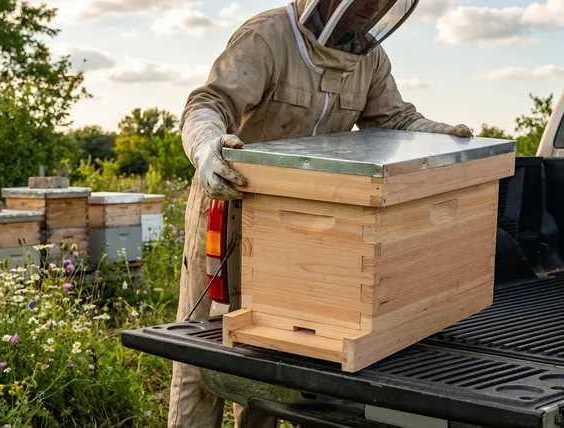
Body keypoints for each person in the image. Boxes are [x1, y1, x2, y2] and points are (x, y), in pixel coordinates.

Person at [169, 0, 474, 427]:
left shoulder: (369, 56)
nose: (373, 8)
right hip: (230, 205)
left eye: (384, 1)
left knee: (270, 348)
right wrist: (206, 148)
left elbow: (393, 119)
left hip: (300, 227)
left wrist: (443, 136)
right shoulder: (268, 36)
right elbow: (207, 105)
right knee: (203, 350)